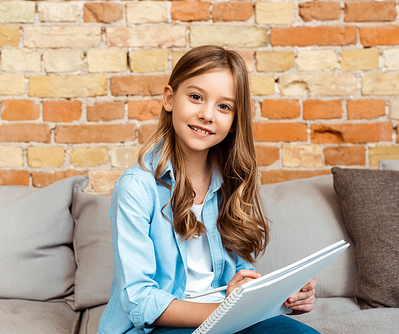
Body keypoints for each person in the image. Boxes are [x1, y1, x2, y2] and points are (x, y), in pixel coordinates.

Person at [98, 45, 319, 334]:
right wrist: (227, 308)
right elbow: (139, 301)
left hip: (226, 317)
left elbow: (235, 278)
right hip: (157, 326)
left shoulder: (231, 181)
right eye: (196, 97)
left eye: (224, 106)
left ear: (233, 121)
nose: (207, 114)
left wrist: (281, 297)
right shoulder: (136, 188)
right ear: (169, 99)